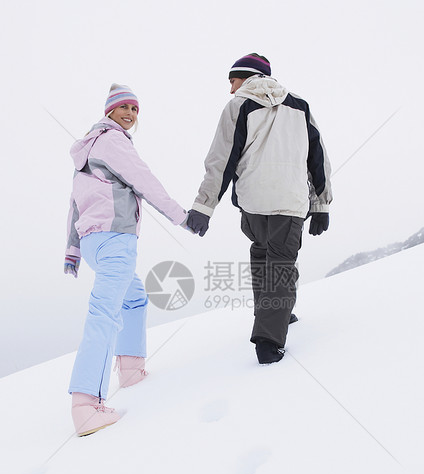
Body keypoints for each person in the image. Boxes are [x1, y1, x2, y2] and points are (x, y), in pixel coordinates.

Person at [186, 54, 332, 364]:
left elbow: (220, 160)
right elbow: (317, 157)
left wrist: (204, 205)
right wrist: (321, 204)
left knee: (262, 253)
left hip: (254, 202)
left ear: (247, 77)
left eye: (232, 81)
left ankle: (271, 323)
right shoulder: (300, 106)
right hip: (290, 201)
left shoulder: (238, 106)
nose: (230, 89)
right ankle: (271, 334)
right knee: (281, 263)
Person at [64, 83, 192, 436]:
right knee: (104, 313)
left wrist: (73, 252)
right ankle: (87, 404)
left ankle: (131, 371)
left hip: (93, 242)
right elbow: (144, 182)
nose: (130, 114)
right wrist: (182, 217)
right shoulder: (113, 141)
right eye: (123, 107)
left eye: (135, 109)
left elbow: (74, 205)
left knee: (133, 298)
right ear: (109, 111)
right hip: (116, 239)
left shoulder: (87, 152)